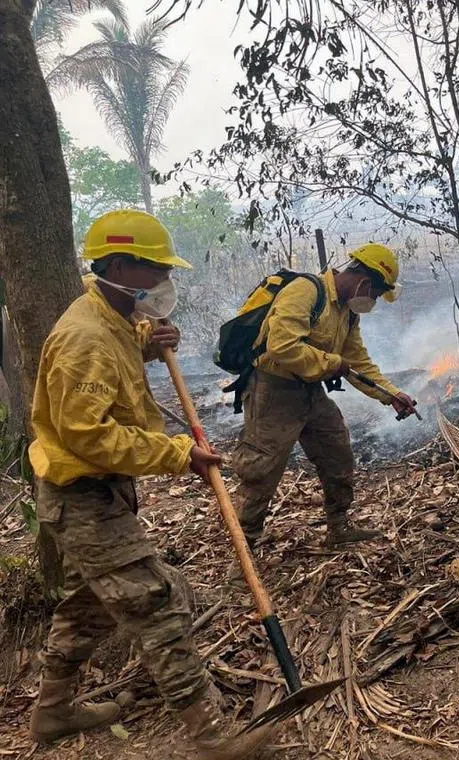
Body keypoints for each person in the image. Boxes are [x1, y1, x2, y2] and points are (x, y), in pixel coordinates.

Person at [27, 209, 277, 757]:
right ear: (119, 265)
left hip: (100, 492)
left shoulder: (109, 317)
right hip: (82, 497)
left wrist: (147, 339)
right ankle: (212, 737)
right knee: (156, 603)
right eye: (155, 269)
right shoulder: (83, 337)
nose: (165, 281)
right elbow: (87, 434)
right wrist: (176, 453)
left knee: (88, 607)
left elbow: (112, 358)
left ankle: (53, 714)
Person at [231, 243, 417, 550]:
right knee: (261, 471)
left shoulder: (346, 312)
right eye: (374, 294)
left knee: (336, 452)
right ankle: (244, 549)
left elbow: (357, 360)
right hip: (273, 390)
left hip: (309, 391)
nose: (372, 301)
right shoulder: (306, 291)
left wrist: (391, 394)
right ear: (364, 283)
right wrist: (331, 363)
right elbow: (282, 346)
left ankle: (338, 526)